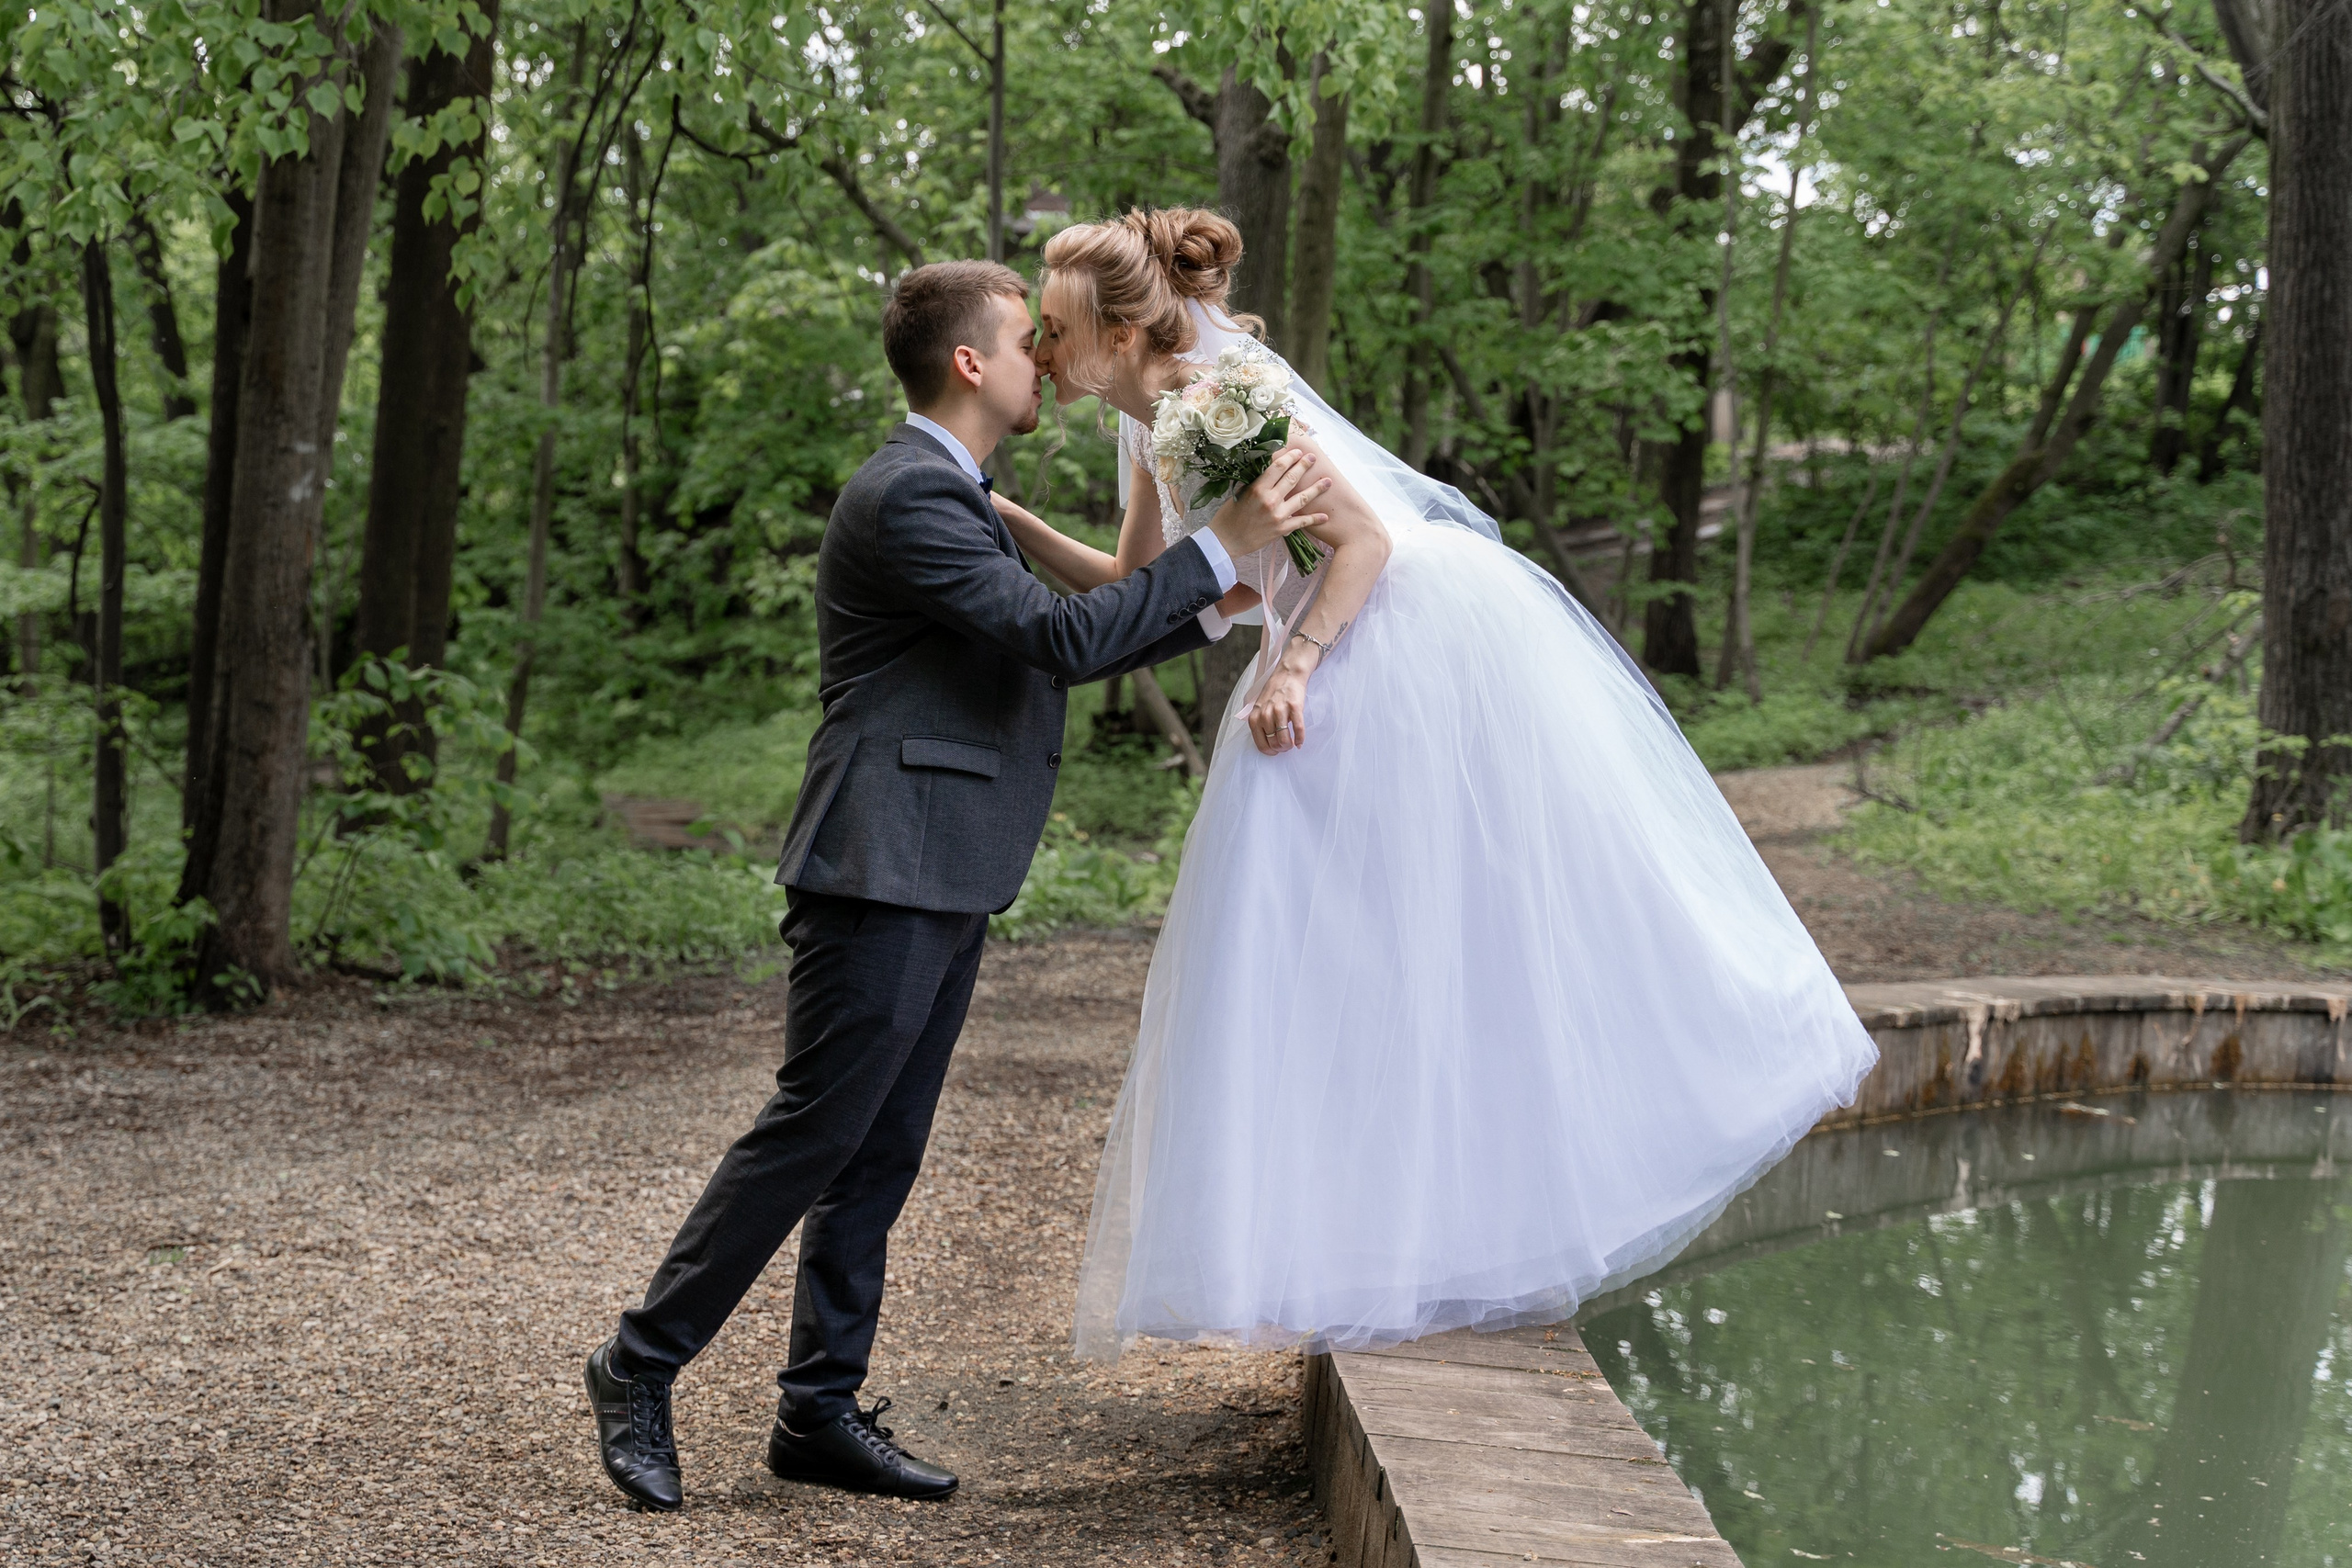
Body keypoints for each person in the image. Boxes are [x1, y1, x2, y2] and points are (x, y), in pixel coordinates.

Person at [988, 209, 1882, 1362]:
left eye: (1054, 330)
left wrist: (1297, 665)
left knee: (1400, 932)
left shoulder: (1219, 399)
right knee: (1325, 942)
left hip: (1387, 641)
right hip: (1321, 637)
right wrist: (1001, 516)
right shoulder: (1151, 420)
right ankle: (1371, 1238)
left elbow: (1365, 544)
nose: (1045, 353)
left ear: (1117, 330)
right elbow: (1136, 584)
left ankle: (1443, 1231)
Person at [582, 258, 1323, 1510]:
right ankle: (636, 1361)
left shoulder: (957, 491)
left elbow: (1054, 645)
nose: (1051, 361)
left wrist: (1220, 599)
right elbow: (1056, 636)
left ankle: (817, 1407)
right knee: (815, 1127)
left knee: (880, 1144)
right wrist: (1219, 551)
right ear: (970, 363)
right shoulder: (911, 493)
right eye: (1029, 341)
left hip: (941, 859)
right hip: (881, 858)